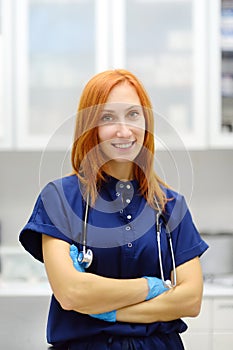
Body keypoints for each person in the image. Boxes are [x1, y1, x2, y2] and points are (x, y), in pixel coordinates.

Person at [19, 69, 208, 350]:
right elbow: (72, 293)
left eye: (133, 114)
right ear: (89, 126)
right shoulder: (59, 199)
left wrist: (103, 311)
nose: (124, 130)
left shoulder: (171, 205)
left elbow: (190, 300)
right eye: (108, 117)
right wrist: (153, 286)